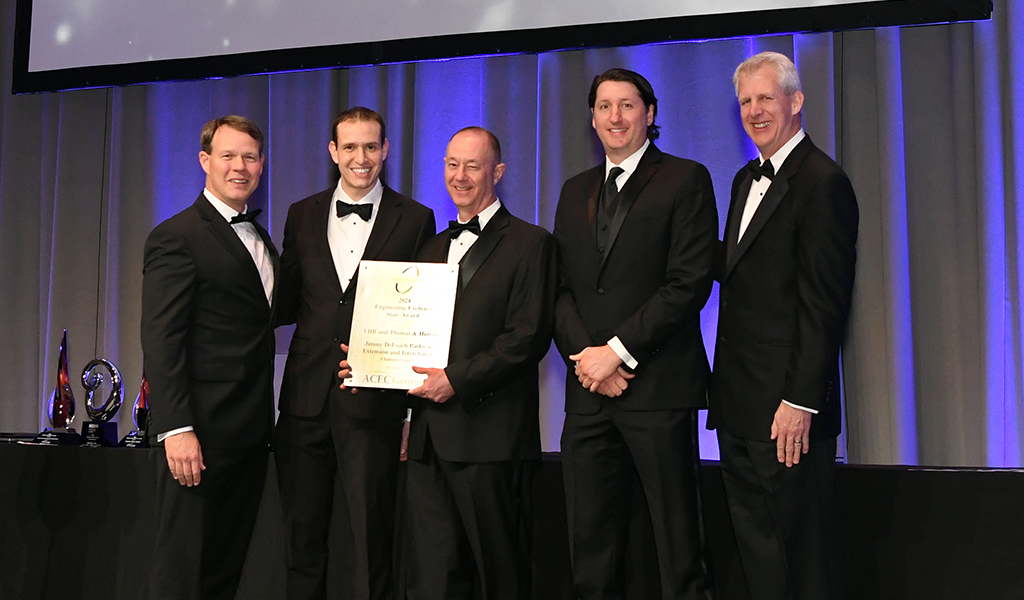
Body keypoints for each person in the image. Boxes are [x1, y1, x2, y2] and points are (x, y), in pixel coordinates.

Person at [552, 68, 718, 600]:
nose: (615, 116)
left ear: (649, 113)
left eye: (627, 105)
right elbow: (559, 290)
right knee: (590, 547)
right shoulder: (574, 189)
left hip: (658, 390)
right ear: (592, 118)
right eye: (604, 106)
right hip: (588, 396)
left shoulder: (686, 178)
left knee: (676, 546)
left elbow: (689, 282)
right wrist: (587, 359)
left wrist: (617, 353)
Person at [708, 51, 858, 600]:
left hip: (787, 414)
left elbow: (825, 306)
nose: (754, 110)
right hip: (739, 405)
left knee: (801, 558)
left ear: (796, 102)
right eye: (746, 101)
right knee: (759, 556)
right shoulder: (744, 179)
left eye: (766, 98)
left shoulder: (824, 182)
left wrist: (800, 401)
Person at [275, 107, 435, 600]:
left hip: (375, 405)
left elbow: (422, 320)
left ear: (385, 150)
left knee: (373, 543)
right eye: (350, 147)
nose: (360, 158)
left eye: (370, 147)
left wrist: (411, 409)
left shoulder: (416, 218)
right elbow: (285, 299)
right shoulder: (301, 213)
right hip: (303, 403)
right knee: (302, 543)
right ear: (332, 152)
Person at [390, 126, 554, 600]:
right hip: (427, 442)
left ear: (497, 172)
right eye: (451, 165)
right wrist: (382, 376)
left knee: (500, 577)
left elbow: (527, 338)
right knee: (433, 580)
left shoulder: (531, 243)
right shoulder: (429, 249)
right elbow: (412, 338)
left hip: (491, 439)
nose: (459, 176)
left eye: (473, 165)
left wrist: (456, 382)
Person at [142, 115, 277, 600]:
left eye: (250, 157)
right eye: (228, 155)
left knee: (223, 570)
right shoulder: (176, 235)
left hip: (249, 433)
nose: (239, 167)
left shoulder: (263, 239)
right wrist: (176, 428)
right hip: (197, 436)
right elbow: (161, 339)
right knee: (181, 572)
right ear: (205, 161)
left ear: (261, 165)